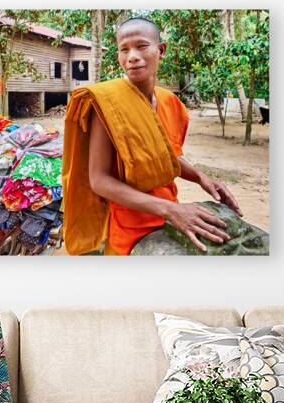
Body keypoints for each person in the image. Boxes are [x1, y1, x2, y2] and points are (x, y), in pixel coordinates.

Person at [62, 17, 241, 255]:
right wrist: (170, 210)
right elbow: (99, 180)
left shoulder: (171, 103)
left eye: (141, 46)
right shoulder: (108, 104)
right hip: (130, 225)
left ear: (161, 50)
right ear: (118, 57)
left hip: (170, 214)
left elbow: (163, 158)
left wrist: (200, 177)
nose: (132, 56)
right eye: (124, 50)